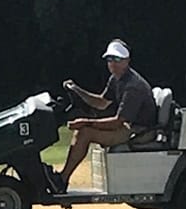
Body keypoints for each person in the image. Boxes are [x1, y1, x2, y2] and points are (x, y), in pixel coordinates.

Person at [54, 38, 157, 188]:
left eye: (117, 59)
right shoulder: (117, 79)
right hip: (130, 127)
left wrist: (85, 121)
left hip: (140, 131)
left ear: (126, 61)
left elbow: (118, 121)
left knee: (84, 133)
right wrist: (77, 90)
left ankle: (62, 180)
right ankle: (62, 178)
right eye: (109, 59)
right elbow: (101, 103)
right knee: (84, 131)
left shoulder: (133, 86)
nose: (112, 63)